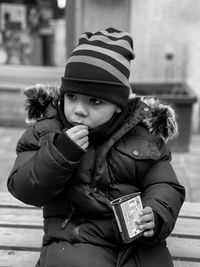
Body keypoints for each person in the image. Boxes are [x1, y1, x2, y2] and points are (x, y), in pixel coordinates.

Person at [7, 28, 185, 267]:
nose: (79, 109)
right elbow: (24, 186)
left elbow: (164, 183)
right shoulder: (47, 130)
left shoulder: (143, 134)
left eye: (95, 101)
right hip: (75, 238)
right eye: (71, 97)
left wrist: (157, 212)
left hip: (137, 239)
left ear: (119, 106)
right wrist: (59, 155)